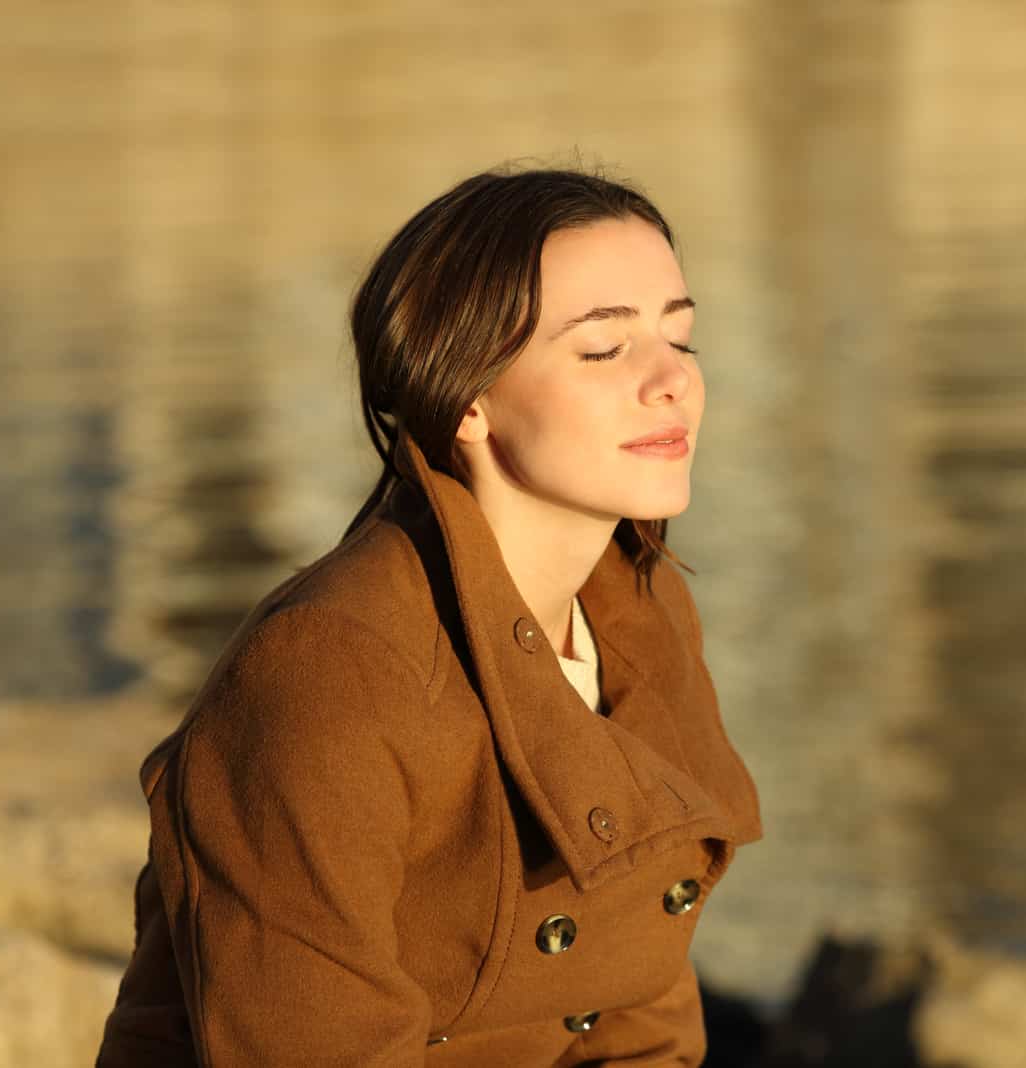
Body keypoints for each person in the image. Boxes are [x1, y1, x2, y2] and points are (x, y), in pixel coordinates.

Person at [95, 166, 763, 1066]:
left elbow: (641, 987)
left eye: (680, 339)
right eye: (603, 351)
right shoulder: (332, 666)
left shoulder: (641, 610)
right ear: (469, 400)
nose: (671, 381)